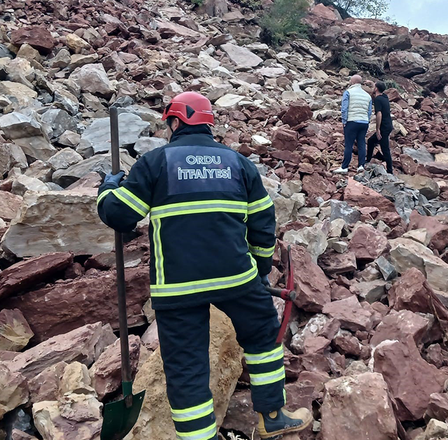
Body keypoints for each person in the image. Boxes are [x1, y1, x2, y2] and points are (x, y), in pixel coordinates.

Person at [97, 92, 312, 440]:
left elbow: (120, 215)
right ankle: (271, 416)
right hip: (236, 279)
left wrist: (108, 187)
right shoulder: (238, 163)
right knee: (263, 338)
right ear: (208, 123)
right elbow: (262, 221)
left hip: (178, 287)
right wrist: (258, 270)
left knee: (186, 367)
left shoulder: (155, 163)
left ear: (176, 122)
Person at [333, 74, 372, 174]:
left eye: (350, 80)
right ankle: (361, 165)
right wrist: (366, 120)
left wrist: (344, 121)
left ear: (353, 82)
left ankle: (344, 167)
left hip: (352, 121)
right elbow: (369, 111)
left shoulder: (348, 92)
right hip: (364, 122)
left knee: (349, 145)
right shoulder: (367, 95)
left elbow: (344, 108)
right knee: (362, 143)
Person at [365, 81, 394, 175]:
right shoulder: (384, 97)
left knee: (385, 148)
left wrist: (377, 129)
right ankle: (368, 160)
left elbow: (379, 114)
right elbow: (377, 91)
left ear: (376, 89)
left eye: (374, 87)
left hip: (384, 127)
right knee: (371, 141)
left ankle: (390, 171)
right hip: (389, 125)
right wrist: (372, 83)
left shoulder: (378, 100)